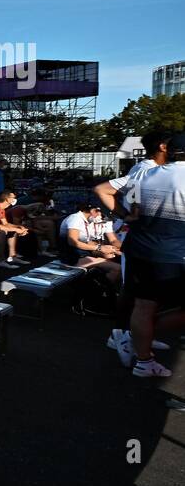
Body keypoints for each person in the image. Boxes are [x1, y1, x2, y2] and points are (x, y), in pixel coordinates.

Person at [104, 132, 185, 377]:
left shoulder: (144, 173)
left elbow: (105, 191)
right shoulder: (148, 169)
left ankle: (142, 356)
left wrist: (126, 215)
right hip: (173, 252)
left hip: (141, 247)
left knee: (143, 305)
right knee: (148, 306)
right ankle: (139, 341)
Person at [95, 128, 171, 362]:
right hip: (141, 240)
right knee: (132, 289)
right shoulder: (144, 169)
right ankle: (120, 335)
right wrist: (126, 216)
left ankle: (140, 335)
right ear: (162, 147)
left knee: (149, 292)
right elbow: (120, 197)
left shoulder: (157, 170)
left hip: (154, 239)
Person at [59, 202, 121, 285]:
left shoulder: (104, 219)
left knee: (112, 255)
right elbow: (73, 242)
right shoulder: (75, 219)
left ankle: (101, 285)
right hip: (72, 256)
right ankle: (101, 290)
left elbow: (113, 240)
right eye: (100, 214)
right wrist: (100, 248)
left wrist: (124, 249)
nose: (104, 219)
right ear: (93, 211)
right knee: (118, 268)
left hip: (86, 251)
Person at [0, 190, 31, 266]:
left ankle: (12, 256)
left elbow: (5, 223)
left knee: (12, 231)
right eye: (13, 197)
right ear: (7, 199)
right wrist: (16, 229)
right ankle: (0, 260)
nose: (15, 199)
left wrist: (19, 227)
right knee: (1, 232)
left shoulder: (2, 208)